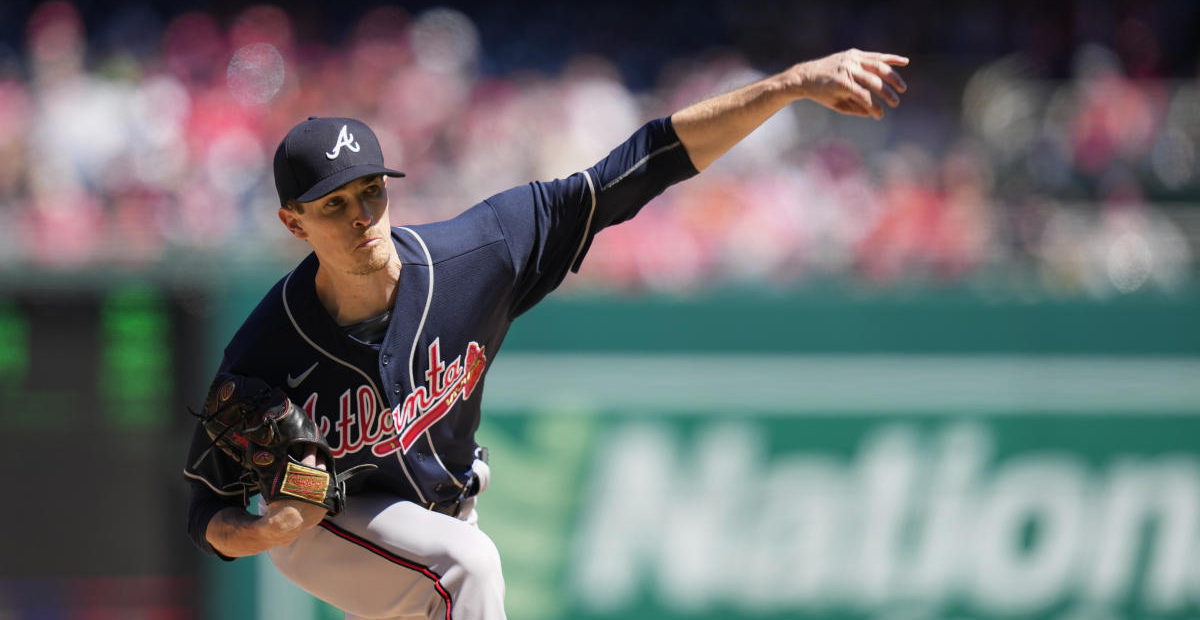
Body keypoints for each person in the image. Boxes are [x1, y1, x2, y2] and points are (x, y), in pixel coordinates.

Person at [183, 49, 909, 619]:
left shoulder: (478, 255)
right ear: (293, 222)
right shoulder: (267, 347)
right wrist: (265, 529)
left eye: (371, 191)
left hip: (438, 509)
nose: (360, 216)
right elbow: (206, 511)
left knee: (453, 557)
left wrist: (788, 84)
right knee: (465, 566)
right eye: (332, 204)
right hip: (323, 528)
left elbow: (641, 166)